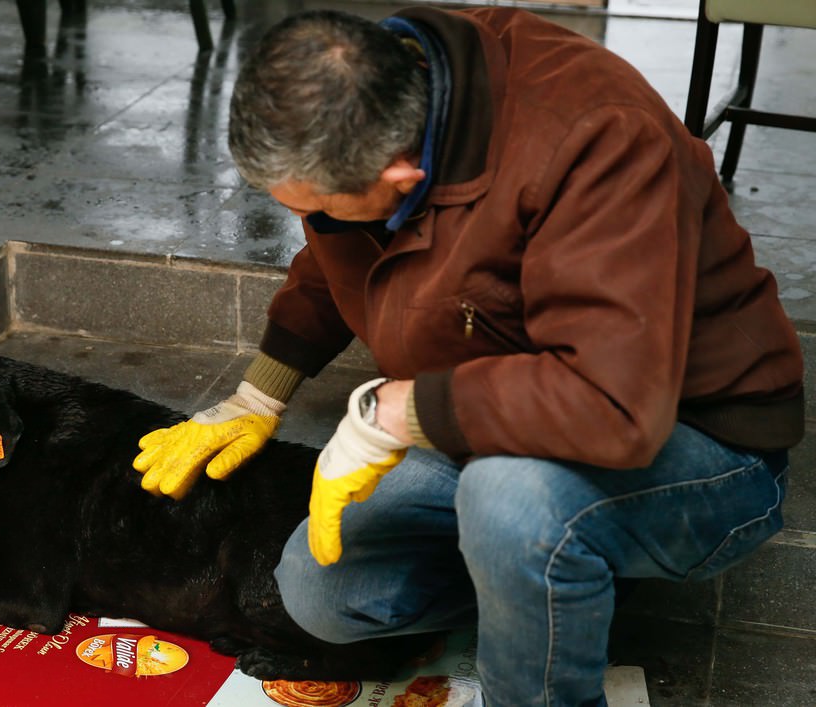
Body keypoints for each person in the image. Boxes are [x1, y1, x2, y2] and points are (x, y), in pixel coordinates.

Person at [133, 7, 804, 706]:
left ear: (401, 173)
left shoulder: (598, 138)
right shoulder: (391, 92)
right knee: (322, 589)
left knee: (509, 500)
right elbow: (340, 248)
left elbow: (614, 404)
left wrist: (399, 411)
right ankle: (559, 575)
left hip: (691, 438)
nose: (313, 222)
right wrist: (260, 393)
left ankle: (551, 576)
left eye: (320, 207)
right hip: (498, 411)